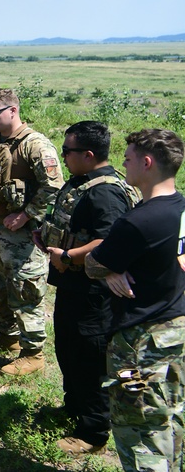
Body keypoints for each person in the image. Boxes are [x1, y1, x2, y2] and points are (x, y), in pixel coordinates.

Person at [85, 128, 185, 471]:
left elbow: (93, 262)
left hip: (138, 344)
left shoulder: (139, 221)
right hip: (176, 334)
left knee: (137, 427)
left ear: (146, 163)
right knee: (171, 421)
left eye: (127, 160)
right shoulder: (181, 208)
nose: (123, 165)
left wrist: (108, 269)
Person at [40, 121, 137, 455]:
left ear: (89, 154)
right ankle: (73, 409)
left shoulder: (105, 191)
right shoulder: (86, 181)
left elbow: (108, 240)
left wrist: (68, 254)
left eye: (68, 151)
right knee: (68, 350)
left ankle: (93, 432)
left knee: (90, 359)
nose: (63, 156)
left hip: (94, 294)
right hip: (73, 285)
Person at [0, 88, 64, 376]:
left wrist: (26, 215)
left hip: (23, 237)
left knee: (26, 291)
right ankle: (8, 336)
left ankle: (33, 353)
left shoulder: (35, 145)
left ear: (12, 111)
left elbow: (54, 186)